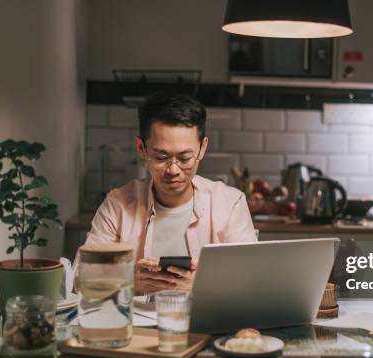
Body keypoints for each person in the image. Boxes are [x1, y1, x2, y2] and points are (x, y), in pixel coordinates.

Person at [84, 93, 257, 294]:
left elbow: (250, 281)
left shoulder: (230, 204)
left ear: (202, 148)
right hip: (137, 325)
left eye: (184, 158)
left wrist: (200, 287)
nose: (173, 170)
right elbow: (83, 275)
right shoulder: (117, 204)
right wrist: (129, 281)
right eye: (161, 156)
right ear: (141, 149)